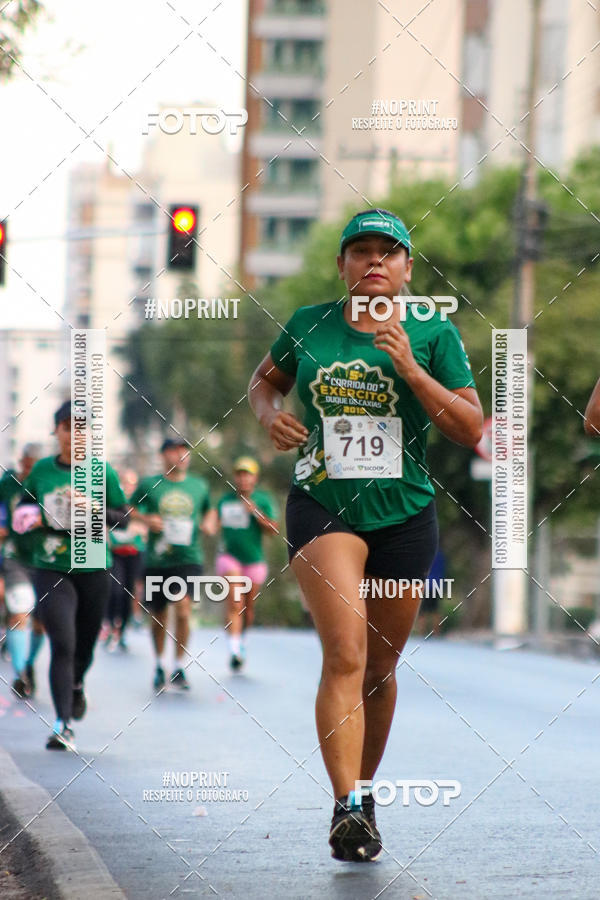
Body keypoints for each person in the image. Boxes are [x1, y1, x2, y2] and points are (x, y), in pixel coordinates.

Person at [248, 208, 483, 861]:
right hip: (324, 504)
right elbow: (264, 383)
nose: (374, 261)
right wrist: (271, 415)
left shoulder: (434, 332)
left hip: (406, 513)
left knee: (380, 670)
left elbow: (470, 426)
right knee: (346, 654)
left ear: (408, 269)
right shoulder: (309, 325)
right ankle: (346, 803)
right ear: (343, 265)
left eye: (389, 252)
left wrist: (411, 369)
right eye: (361, 251)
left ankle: (365, 792)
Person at [14, 401, 128, 751]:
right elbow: (22, 511)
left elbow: (122, 516)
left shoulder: (102, 472)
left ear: (89, 434)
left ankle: (77, 683)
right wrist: (36, 517)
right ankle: (62, 724)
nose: (74, 433)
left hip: (94, 565)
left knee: (85, 643)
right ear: (57, 432)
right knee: (61, 641)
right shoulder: (43, 471)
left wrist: (93, 508)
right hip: (51, 566)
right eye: (67, 426)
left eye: (81, 427)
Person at [129, 438, 214, 692]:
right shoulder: (149, 484)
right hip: (157, 559)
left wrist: (210, 523)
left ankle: (178, 666)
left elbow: (209, 510)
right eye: (175, 451)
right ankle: (158, 664)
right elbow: (129, 508)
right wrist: (146, 519)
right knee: (159, 617)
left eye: (185, 451)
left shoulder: (199, 485)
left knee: (184, 608)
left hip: (189, 558)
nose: (181, 455)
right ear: (164, 455)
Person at [211, 456, 278, 671]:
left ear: (255, 478)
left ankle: (242, 640)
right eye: (239, 474)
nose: (243, 479)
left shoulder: (263, 499)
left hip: (254, 560)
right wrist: (212, 524)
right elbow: (214, 525)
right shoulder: (225, 500)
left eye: (247, 474)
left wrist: (256, 512)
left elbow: (273, 530)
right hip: (229, 557)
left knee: (248, 610)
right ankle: (234, 649)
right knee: (235, 603)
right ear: (235, 477)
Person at [0, 443, 45, 698]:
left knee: (41, 623)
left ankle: (28, 664)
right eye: (26, 465)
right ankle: (20, 674)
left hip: (44, 560)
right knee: (18, 613)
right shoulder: (8, 484)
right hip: (15, 558)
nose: (29, 471)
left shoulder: (48, 483)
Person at [104, 469, 146, 652]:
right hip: (115, 552)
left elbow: (146, 523)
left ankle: (122, 631)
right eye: (125, 483)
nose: (128, 487)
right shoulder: (114, 501)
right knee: (115, 590)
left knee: (130, 593)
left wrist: (140, 528)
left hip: (134, 552)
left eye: (132, 483)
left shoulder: (139, 503)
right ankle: (111, 624)